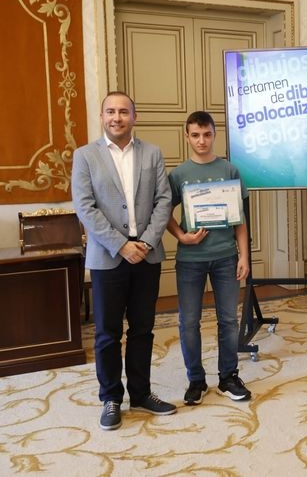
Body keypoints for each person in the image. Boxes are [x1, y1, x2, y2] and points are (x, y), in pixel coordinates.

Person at [72, 91, 175, 431]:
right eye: (110, 111)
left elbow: (164, 200)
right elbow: (85, 208)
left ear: (135, 116)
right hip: (108, 256)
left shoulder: (153, 153)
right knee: (107, 333)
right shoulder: (85, 156)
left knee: (143, 328)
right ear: (102, 116)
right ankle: (111, 398)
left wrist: (144, 242)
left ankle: (142, 394)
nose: (117, 117)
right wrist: (121, 245)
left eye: (124, 112)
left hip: (147, 254)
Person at [167, 111, 252, 405]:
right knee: (188, 322)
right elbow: (163, 212)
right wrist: (181, 235)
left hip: (226, 257)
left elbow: (240, 220)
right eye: (195, 135)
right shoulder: (178, 175)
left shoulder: (230, 171)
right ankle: (196, 381)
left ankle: (228, 377)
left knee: (228, 320)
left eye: (207, 135)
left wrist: (245, 256)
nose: (201, 141)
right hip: (190, 259)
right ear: (187, 137)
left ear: (215, 135)